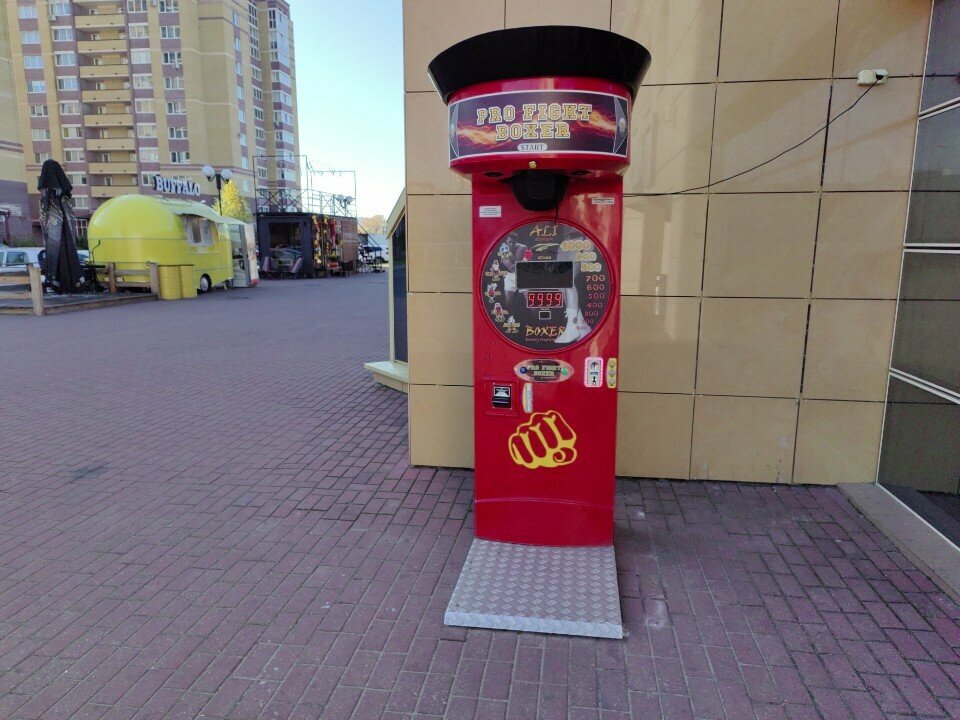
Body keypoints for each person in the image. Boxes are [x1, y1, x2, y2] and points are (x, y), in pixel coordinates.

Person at [38, 159, 84, 294]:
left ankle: (57, 280)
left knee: (57, 250)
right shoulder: (62, 198)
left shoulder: (51, 198)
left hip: (58, 237)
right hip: (65, 238)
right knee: (62, 250)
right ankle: (68, 280)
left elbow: (47, 220)